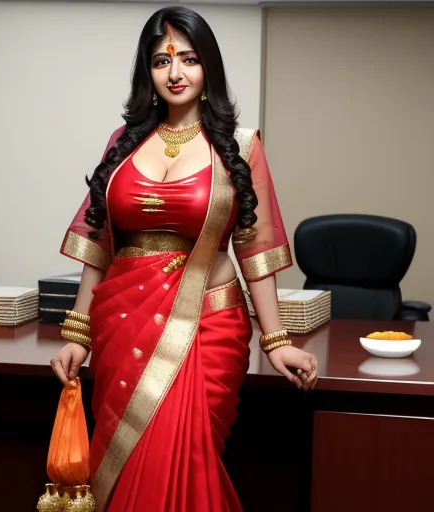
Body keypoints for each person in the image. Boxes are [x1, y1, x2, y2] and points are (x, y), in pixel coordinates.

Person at [51, 6, 317, 511]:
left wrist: (276, 339)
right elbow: (98, 242)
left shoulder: (239, 148)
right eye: (161, 61)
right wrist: (76, 333)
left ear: (208, 68)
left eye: (189, 59)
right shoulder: (123, 144)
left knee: (186, 456)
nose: (176, 73)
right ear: (147, 74)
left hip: (207, 326)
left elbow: (254, 248)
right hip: (124, 324)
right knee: (128, 460)